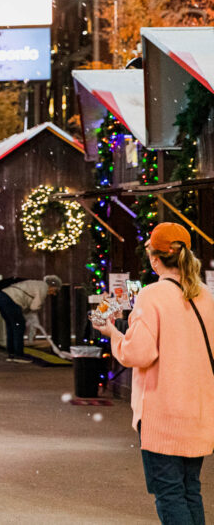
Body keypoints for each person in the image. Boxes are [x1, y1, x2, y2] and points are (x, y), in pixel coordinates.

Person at [96, 222, 214, 524]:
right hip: (199, 411)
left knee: (169, 493)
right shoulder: (206, 296)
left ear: (154, 258)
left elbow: (139, 354)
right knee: (190, 490)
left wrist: (112, 331)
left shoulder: (151, 296)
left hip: (164, 414)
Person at [0, 275, 61, 363]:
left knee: (11, 327)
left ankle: (11, 353)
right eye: (55, 290)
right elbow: (34, 307)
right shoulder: (43, 288)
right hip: (11, 300)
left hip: (1, 297)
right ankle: (18, 355)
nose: (54, 294)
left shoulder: (37, 284)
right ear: (52, 286)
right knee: (19, 326)